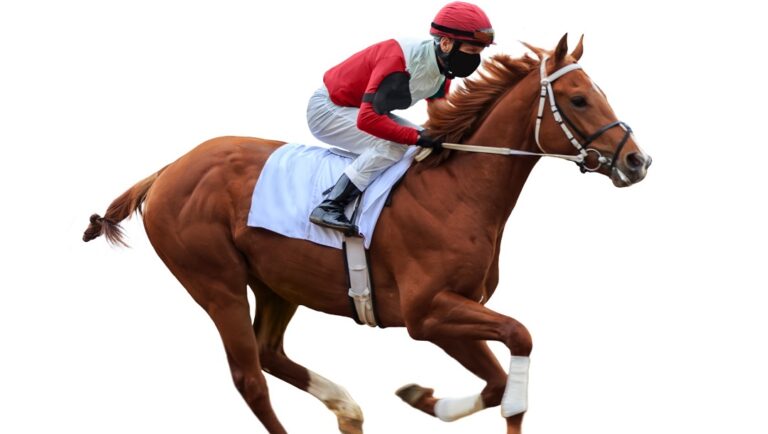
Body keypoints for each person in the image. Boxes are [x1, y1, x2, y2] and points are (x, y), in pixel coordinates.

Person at [307, 1, 494, 234]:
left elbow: (440, 117)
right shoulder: (397, 59)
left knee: (423, 142)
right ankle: (330, 205)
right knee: (397, 144)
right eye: (472, 52)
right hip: (328, 110)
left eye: (479, 53)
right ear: (446, 43)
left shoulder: (442, 71)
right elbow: (367, 119)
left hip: (360, 110)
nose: (475, 60)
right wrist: (417, 137)